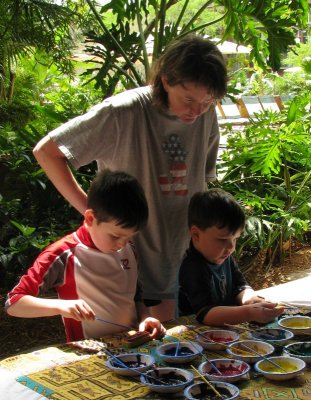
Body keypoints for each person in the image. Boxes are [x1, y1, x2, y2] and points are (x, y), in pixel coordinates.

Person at [32, 34, 228, 321]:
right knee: (144, 355)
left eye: (207, 101)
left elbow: (201, 183)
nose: (196, 111)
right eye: (188, 99)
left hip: (188, 260)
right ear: (165, 80)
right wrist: (94, 215)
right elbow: (48, 152)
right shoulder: (122, 112)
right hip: (130, 261)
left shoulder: (205, 115)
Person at [5, 169, 165, 342]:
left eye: (130, 236)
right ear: (90, 218)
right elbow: (13, 303)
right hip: (90, 355)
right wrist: (60, 306)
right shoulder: (64, 254)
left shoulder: (128, 248)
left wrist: (145, 317)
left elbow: (134, 296)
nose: (122, 244)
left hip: (132, 348)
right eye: (115, 236)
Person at [178, 188, 284, 326]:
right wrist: (248, 312)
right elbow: (205, 314)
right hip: (195, 338)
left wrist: (251, 299)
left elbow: (239, 286)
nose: (231, 247)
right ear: (196, 234)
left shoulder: (223, 256)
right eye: (223, 240)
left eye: (235, 239)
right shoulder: (192, 267)